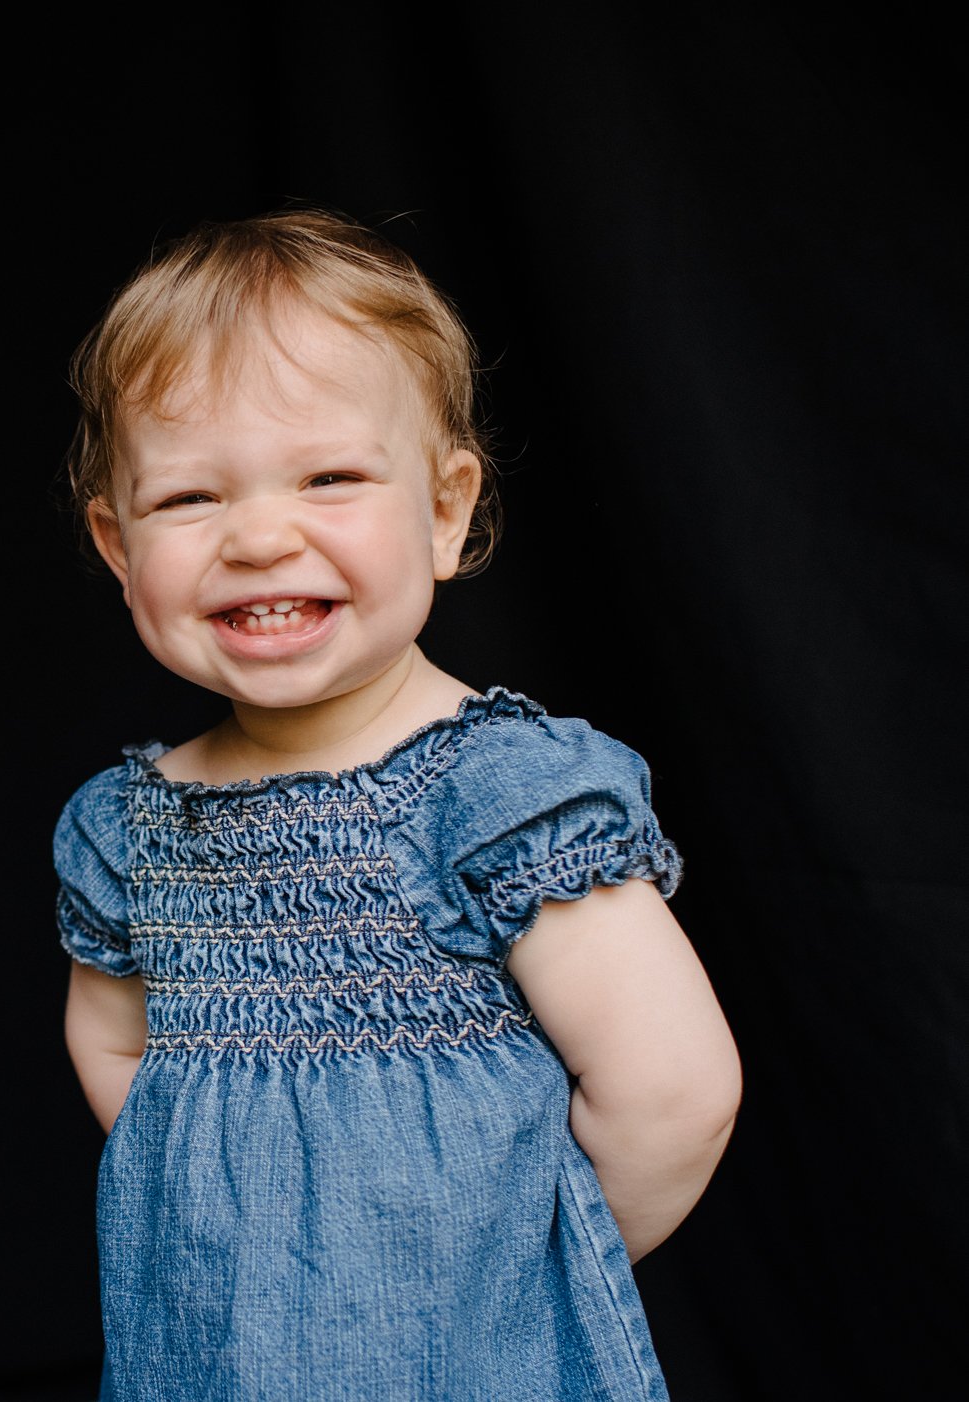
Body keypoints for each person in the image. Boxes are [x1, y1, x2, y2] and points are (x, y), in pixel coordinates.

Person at [54, 211, 742, 1400]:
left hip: (468, 1355)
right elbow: (116, 1042)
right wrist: (229, 1226)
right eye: (188, 500)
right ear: (117, 545)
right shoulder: (130, 826)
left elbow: (672, 1090)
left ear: (445, 507)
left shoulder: (498, 795)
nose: (262, 535)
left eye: (329, 478)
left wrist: (505, 1274)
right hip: (208, 1355)